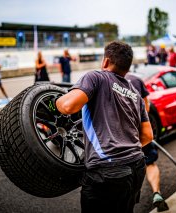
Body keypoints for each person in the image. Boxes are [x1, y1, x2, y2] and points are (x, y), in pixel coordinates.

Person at [56, 41, 153, 213]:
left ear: (106, 61)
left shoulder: (96, 77)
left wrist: (55, 101)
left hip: (108, 170)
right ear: (127, 68)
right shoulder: (135, 94)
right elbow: (147, 135)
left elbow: (68, 106)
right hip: (137, 166)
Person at [125, 73, 169, 212]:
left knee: (124, 167)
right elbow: (146, 107)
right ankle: (157, 194)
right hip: (138, 130)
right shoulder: (136, 79)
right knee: (149, 163)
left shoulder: (102, 79)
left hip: (116, 135)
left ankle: (127, 199)